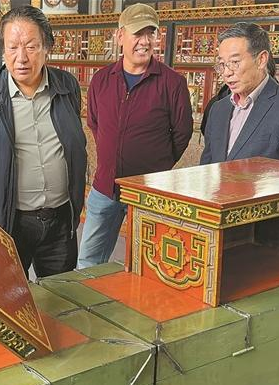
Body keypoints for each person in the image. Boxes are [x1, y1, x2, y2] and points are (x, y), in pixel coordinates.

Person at [0, 6, 87, 279]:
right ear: (3, 50)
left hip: (60, 222)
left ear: (47, 47)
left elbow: (73, 145)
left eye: (31, 46)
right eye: (13, 47)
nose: (21, 57)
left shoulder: (67, 86)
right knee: (9, 295)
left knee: (61, 294)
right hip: (8, 221)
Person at [77, 4, 193, 269]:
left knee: (150, 266)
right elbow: (95, 124)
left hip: (150, 192)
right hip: (105, 187)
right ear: (120, 36)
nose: (145, 41)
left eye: (151, 34)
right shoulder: (101, 80)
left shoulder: (172, 83)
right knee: (88, 262)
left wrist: (157, 165)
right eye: (138, 33)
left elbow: (182, 133)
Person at [200, 22, 279, 165]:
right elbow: (206, 166)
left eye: (235, 62)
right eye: (222, 64)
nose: (227, 73)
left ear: (261, 60)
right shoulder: (218, 109)